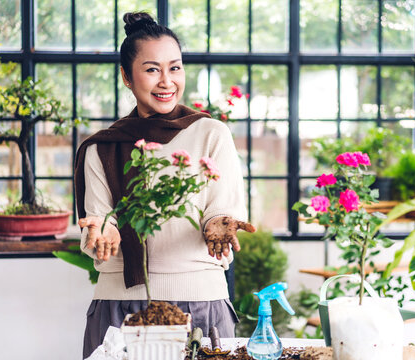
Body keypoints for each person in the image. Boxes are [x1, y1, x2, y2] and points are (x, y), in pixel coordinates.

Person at [74, 12, 255, 359]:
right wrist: (103, 230)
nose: (166, 81)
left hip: (200, 306)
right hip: (118, 308)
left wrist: (218, 222)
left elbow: (222, 206)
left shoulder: (210, 134)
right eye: (152, 69)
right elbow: (98, 219)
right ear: (127, 77)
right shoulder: (104, 146)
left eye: (175, 68)